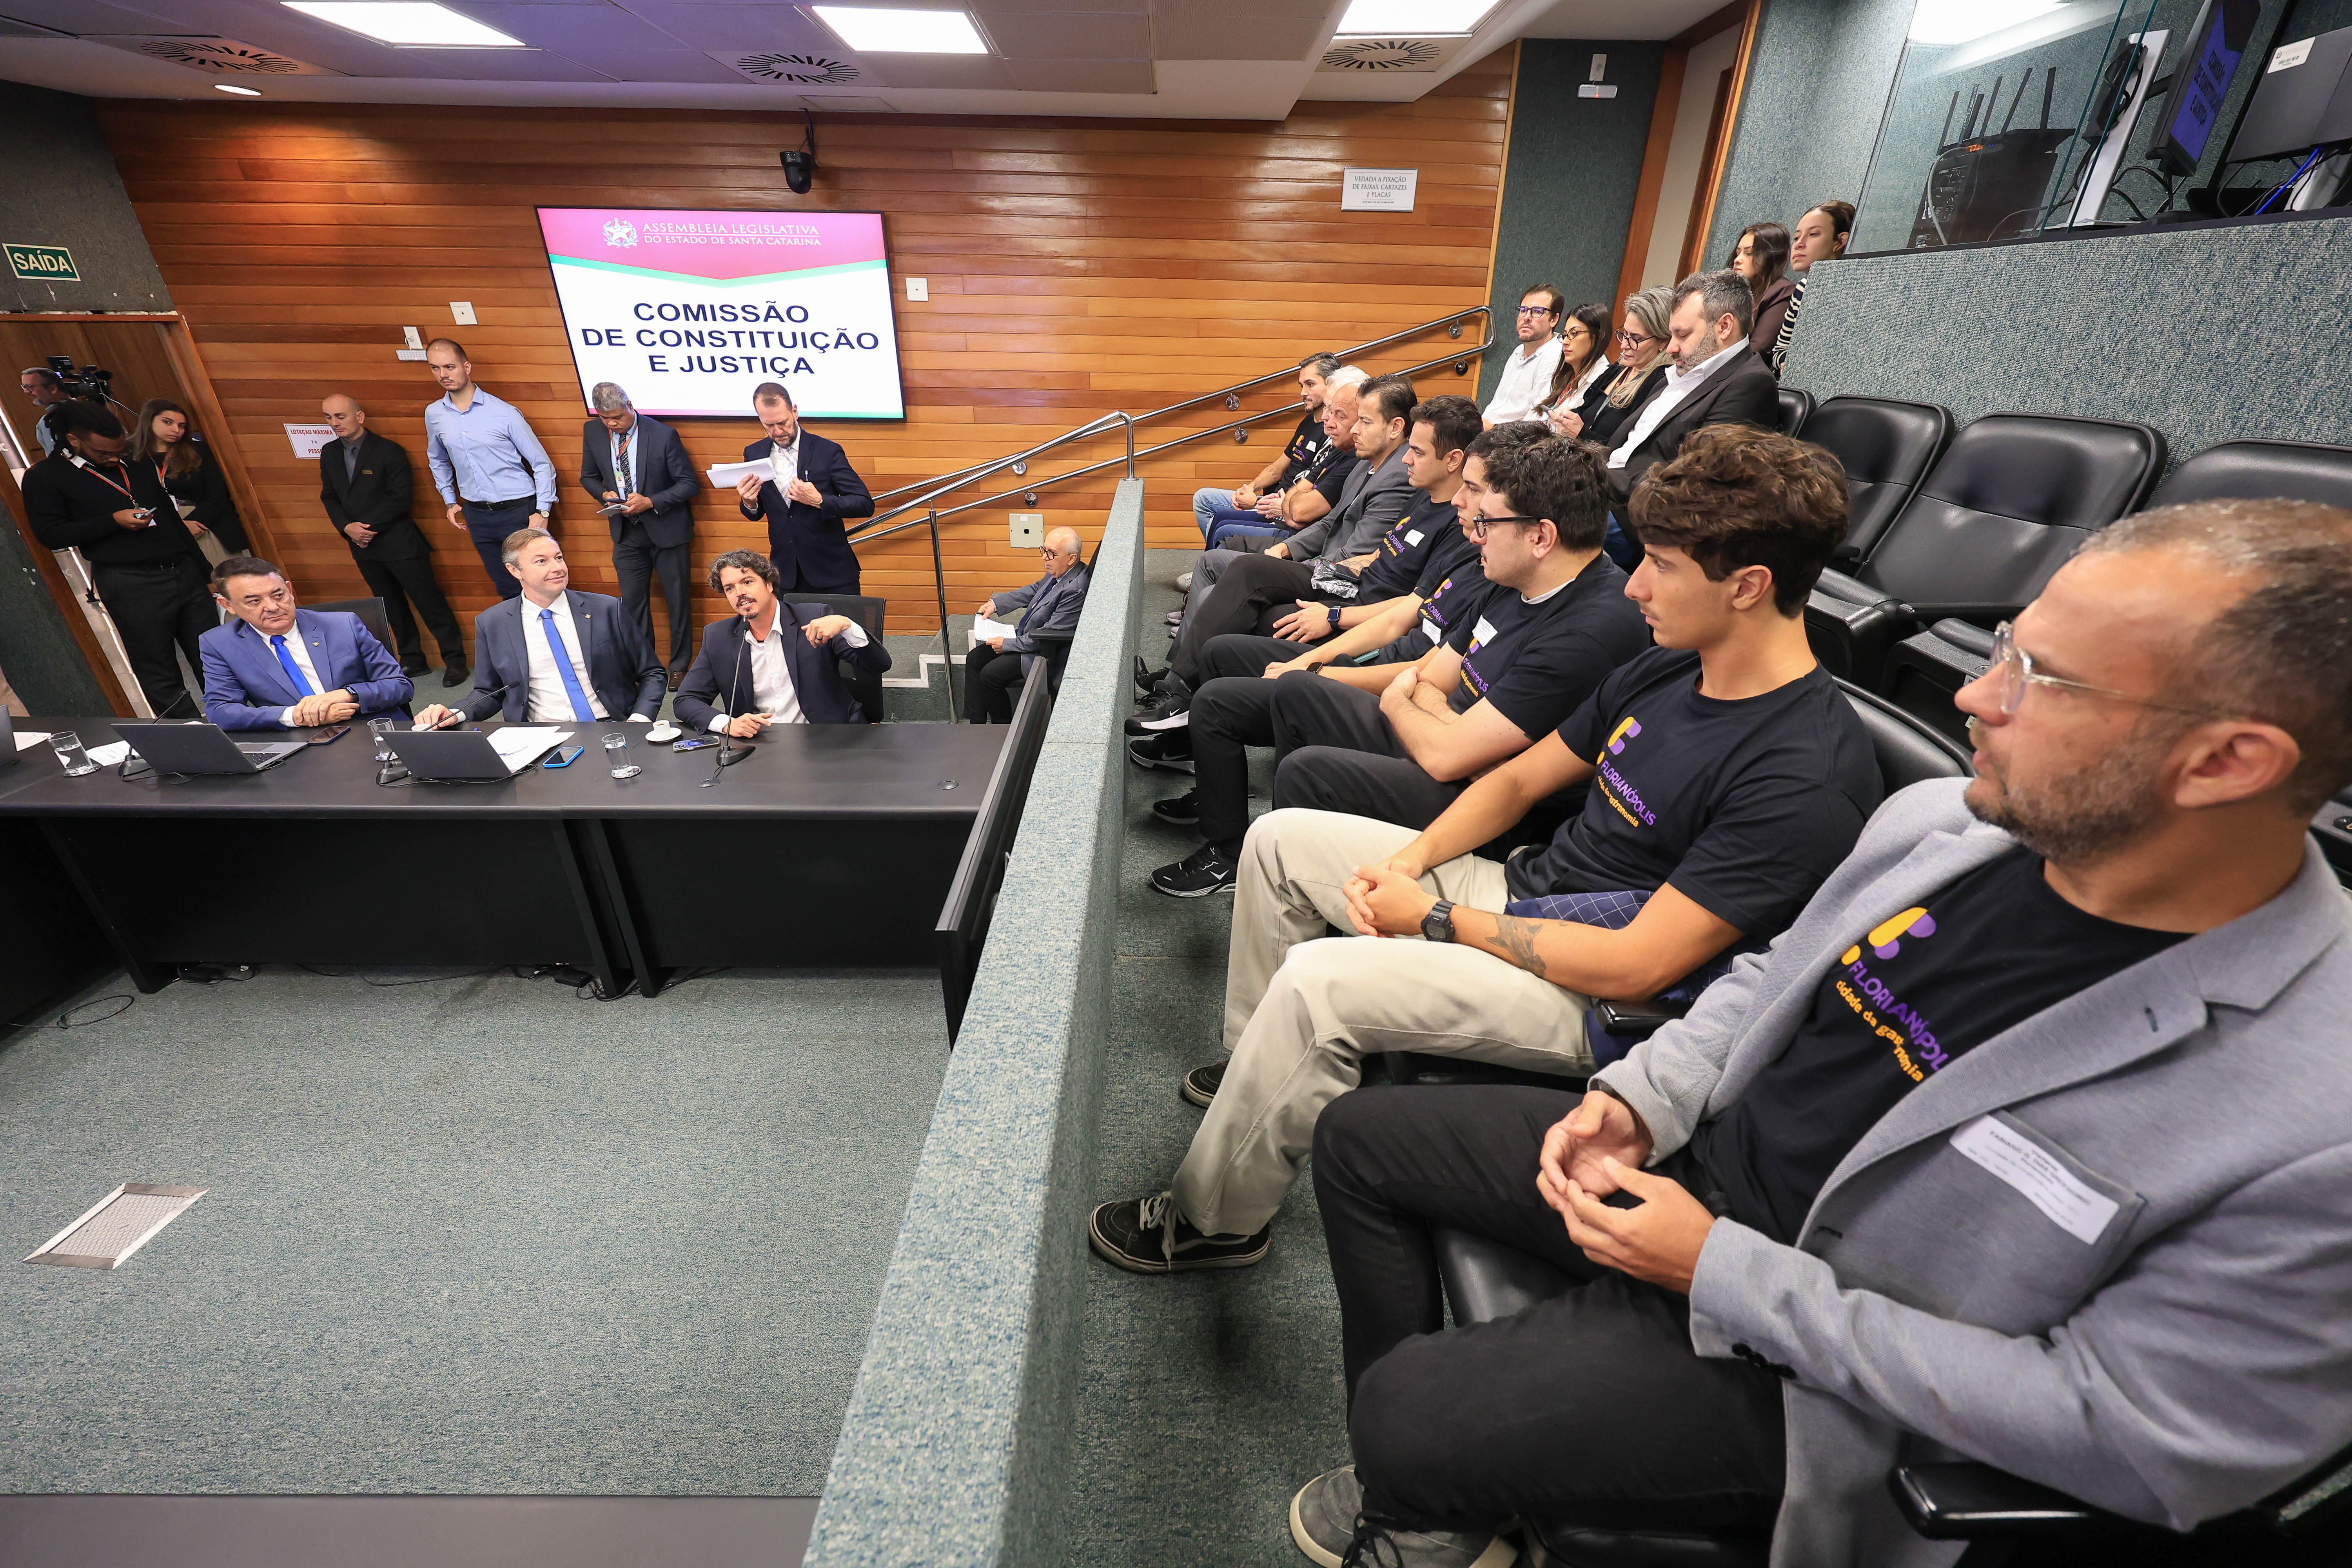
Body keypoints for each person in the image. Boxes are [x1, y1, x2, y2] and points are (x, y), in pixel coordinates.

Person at [1293, 497, 2352, 1568]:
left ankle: (1425, 1479)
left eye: (2042, 678)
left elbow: (2129, 1437)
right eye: (2004, 649)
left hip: (1823, 1369)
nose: (1975, 696)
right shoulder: (1946, 825)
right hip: (1697, 1173)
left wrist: (1722, 1273)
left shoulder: (2321, 1123)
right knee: (1362, 1141)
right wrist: (1642, 1098)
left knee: (1400, 1415)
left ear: (2227, 762)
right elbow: (1771, 975)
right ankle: (1443, 1497)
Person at [1088, 426, 1876, 1273]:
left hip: (1601, 997)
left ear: (1748, 586)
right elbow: (1518, 782)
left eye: (1662, 565)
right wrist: (1413, 861)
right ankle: (1257, 1065)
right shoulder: (1672, 666)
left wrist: (1432, 916)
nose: (1636, 584)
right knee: (1280, 841)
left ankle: (1212, 1220)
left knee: (1320, 982)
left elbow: (1638, 967)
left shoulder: (1805, 773)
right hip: (1531, 895)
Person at [1150, 432, 1648, 899]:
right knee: (1298, 692)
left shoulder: (1588, 629)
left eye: (1488, 520)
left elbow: (1453, 756)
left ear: (1540, 537)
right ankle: (1266, 863)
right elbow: (1431, 675)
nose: (1476, 530)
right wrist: (1423, 706)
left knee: (1308, 771)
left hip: (1485, 799)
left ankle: (1306, 888)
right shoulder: (1512, 576)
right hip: (1439, 735)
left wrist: (1410, 702)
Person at [1142, 376, 1417, 716]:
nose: (1354, 429)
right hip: (1324, 563)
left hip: (1340, 582)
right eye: (1355, 419)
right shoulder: (1365, 463)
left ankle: (1181, 689)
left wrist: (1289, 567)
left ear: (1396, 428)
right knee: (1226, 568)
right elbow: (1328, 524)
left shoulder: (1398, 477)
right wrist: (1284, 553)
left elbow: (1349, 557)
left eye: (1364, 421)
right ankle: (1180, 684)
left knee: (1242, 575)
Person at [20, 399, 211, 718]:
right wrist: (113, 521)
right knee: (157, 667)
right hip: (129, 581)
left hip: (183, 572)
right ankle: (190, 736)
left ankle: (239, 725)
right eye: (103, 453)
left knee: (213, 657)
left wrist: (206, 573)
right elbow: (50, 535)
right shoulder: (45, 477)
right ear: (74, 440)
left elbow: (172, 521)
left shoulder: (133, 466)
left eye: (118, 451)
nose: (113, 458)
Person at [414, 528, 663, 728]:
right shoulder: (492, 622)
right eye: (542, 561)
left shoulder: (607, 609)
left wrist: (638, 721)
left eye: (559, 558)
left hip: (610, 724)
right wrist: (455, 713)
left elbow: (652, 673)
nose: (557, 567)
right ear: (515, 571)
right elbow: (489, 691)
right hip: (539, 733)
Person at [319, 392, 468, 687]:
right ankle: (413, 658)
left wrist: (365, 527)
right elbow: (329, 496)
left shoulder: (389, 451)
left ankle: (455, 661)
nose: (334, 423)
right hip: (363, 548)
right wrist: (347, 528)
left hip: (400, 544)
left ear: (359, 417)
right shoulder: (329, 453)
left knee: (430, 604)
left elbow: (400, 498)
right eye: (328, 417)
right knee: (390, 607)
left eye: (340, 416)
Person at [1605, 270, 1782, 505]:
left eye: (1683, 335)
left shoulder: (1750, 384)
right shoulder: (1683, 370)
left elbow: (1696, 482)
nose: (1671, 348)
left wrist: (1598, 480)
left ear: (1724, 326)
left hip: (1639, 510)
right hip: (1608, 490)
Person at [674, 548, 891, 732]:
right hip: (762, 742)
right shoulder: (718, 637)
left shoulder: (814, 618)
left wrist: (847, 625)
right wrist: (727, 724)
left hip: (827, 737)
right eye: (730, 588)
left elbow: (878, 665)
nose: (739, 593)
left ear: (769, 584)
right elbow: (686, 700)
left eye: (747, 582)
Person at [199, 554, 412, 729]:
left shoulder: (343, 625)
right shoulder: (219, 644)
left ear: (290, 591)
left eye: (278, 595)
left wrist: (347, 695)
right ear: (228, 605)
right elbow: (220, 711)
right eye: (255, 601)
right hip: (296, 737)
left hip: (368, 726)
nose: (272, 607)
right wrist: (295, 716)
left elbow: (399, 686)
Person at [579, 381, 699, 688]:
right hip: (626, 532)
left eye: (617, 417)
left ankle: (679, 667)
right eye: (605, 419)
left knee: (677, 603)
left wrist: (652, 501)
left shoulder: (663, 435)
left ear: (630, 406)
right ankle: (647, 669)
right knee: (633, 605)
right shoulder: (593, 432)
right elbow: (588, 476)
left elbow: (688, 484)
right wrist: (604, 494)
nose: (612, 424)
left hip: (667, 531)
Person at [422, 338, 558, 601]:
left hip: (519, 511)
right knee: (507, 590)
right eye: (435, 368)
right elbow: (437, 459)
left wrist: (543, 511)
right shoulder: (434, 414)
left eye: (449, 367)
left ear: (467, 367)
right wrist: (450, 501)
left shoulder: (504, 413)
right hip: (478, 515)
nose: (443, 375)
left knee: (540, 585)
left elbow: (542, 464)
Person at [1200, 369, 1370, 554]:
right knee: (1209, 506)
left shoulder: (1350, 453)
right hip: (1283, 505)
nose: (1326, 419)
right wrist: (1252, 488)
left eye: (1338, 413)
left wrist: (1263, 503)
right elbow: (1282, 469)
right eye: (1328, 409)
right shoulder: (1317, 430)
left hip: (1297, 528)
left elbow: (1303, 513)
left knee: (1223, 529)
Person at [733, 381, 873, 594]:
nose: (778, 431)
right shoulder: (753, 454)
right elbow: (758, 512)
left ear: (795, 412)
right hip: (786, 577)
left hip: (833, 574)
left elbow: (864, 504)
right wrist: (749, 503)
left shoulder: (827, 451)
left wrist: (820, 501)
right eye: (769, 425)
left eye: (783, 423)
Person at [968, 526, 1091, 724]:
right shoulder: (1060, 571)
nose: (1045, 558)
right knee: (975, 658)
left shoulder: (1075, 590)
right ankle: (976, 725)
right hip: (1028, 636)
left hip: (1042, 651)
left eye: (1052, 553)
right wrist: (995, 604)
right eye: (1044, 550)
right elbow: (1034, 590)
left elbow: (1048, 635)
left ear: (1072, 559)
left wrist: (1007, 644)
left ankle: (1002, 729)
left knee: (990, 675)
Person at [1549, 286, 1673, 451]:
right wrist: (1569, 415)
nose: (1624, 345)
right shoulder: (1619, 369)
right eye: (1625, 334)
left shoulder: (1660, 384)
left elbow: (1630, 452)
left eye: (1635, 339)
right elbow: (1586, 410)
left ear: (1664, 341)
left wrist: (1581, 434)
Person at [125, 397, 247, 556]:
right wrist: (174, 526)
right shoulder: (130, 455)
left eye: (181, 426)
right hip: (159, 525)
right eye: (167, 422)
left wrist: (188, 524)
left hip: (202, 521)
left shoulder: (197, 450)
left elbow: (217, 495)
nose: (176, 430)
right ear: (149, 421)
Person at [1768, 199, 1854, 376]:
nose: (1799, 244)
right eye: (1797, 237)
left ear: (1840, 242)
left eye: (1813, 234)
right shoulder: (1803, 289)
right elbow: (1779, 352)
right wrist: (1789, 362)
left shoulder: (1855, 291)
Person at [1482, 285, 1565, 426]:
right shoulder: (1518, 351)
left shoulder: (1556, 354)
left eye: (1537, 311)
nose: (1527, 317)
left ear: (1554, 320)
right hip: (1488, 428)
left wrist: (1492, 429)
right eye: (1523, 310)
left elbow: (1537, 419)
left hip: (1511, 436)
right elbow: (1497, 406)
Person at [1531, 302, 1613, 425]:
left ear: (1599, 336)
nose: (1565, 342)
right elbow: (1533, 415)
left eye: (1574, 333)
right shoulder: (1563, 376)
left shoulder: (1604, 382)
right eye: (1565, 335)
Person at [1728, 221, 1795, 361]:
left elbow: (1757, 350)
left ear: (1769, 257)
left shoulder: (1782, 291)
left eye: (1749, 253)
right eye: (1738, 253)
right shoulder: (1734, 290)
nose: (1737, 260)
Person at [19, 366, 76, 456]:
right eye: (24, 387)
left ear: (53, 389)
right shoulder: (43, 424)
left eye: (30, 387)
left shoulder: (83, 414)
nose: (26, 392)